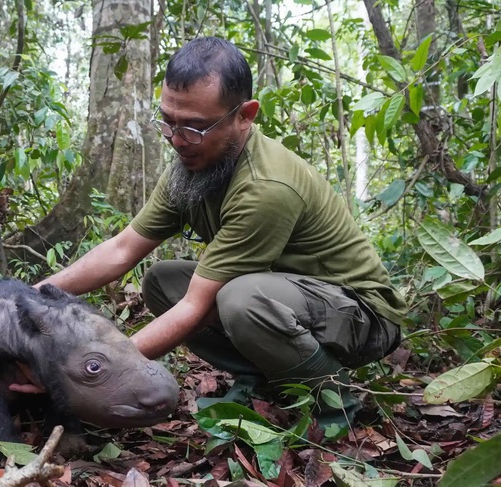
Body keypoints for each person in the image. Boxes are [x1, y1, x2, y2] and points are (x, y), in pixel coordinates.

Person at [32, 36, 407, 426]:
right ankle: (263, 378)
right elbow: (123, 249)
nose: (177, 140)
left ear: (245, 114)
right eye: (168, 122)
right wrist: (32, 297)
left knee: (240, 299)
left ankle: (334, 402)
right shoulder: (193, 165)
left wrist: (91, 371)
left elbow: (197, 306)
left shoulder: (266, 187)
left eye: (194, 127)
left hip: (363, 316)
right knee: (163, 281)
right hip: (287, 298)